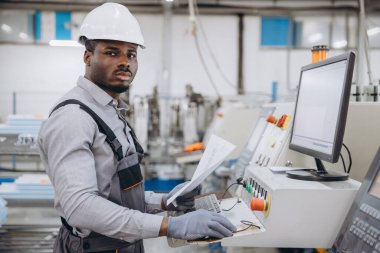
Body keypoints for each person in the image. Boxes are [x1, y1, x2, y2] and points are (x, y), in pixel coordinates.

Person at [37, 3, 236, 253]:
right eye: (112, 52)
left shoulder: (110, 111)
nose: (125, 62)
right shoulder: (74, 118)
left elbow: (114, 193)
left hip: (123, 243)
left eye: (131, 54)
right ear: (88, 57)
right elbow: (81, 207)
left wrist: (165, 201)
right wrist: (169, 225)